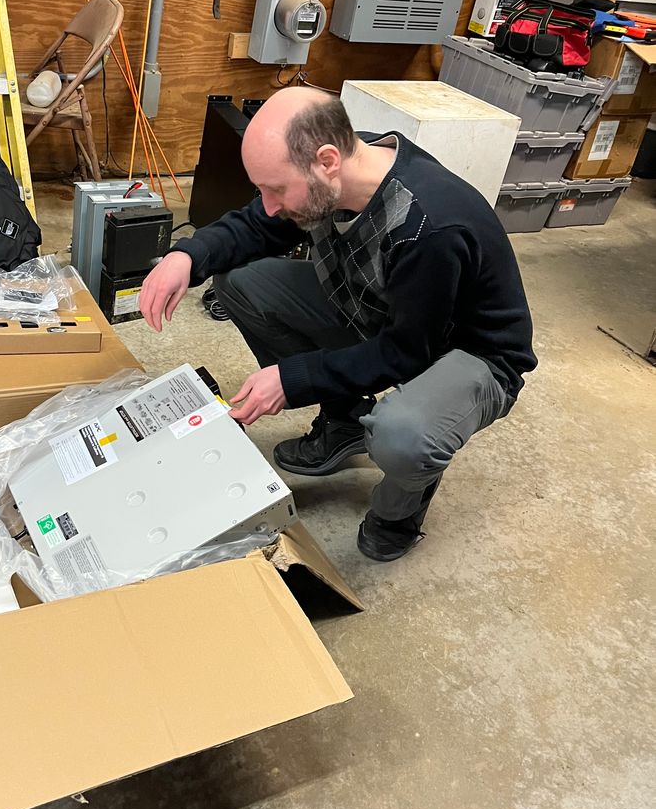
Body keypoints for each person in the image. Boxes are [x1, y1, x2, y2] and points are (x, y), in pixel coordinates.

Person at [139, 88, 537, 562]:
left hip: (468, 354)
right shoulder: (342, 167)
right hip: (388, 311)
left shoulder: (428, 229)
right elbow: (257, 226)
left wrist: (293, 378)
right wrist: (187, 255)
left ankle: (400, 509)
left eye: (276, 189)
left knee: (402, 435)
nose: (268, 204)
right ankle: (345, 418)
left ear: (327, 161)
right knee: (243, 282)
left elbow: (406, 354)